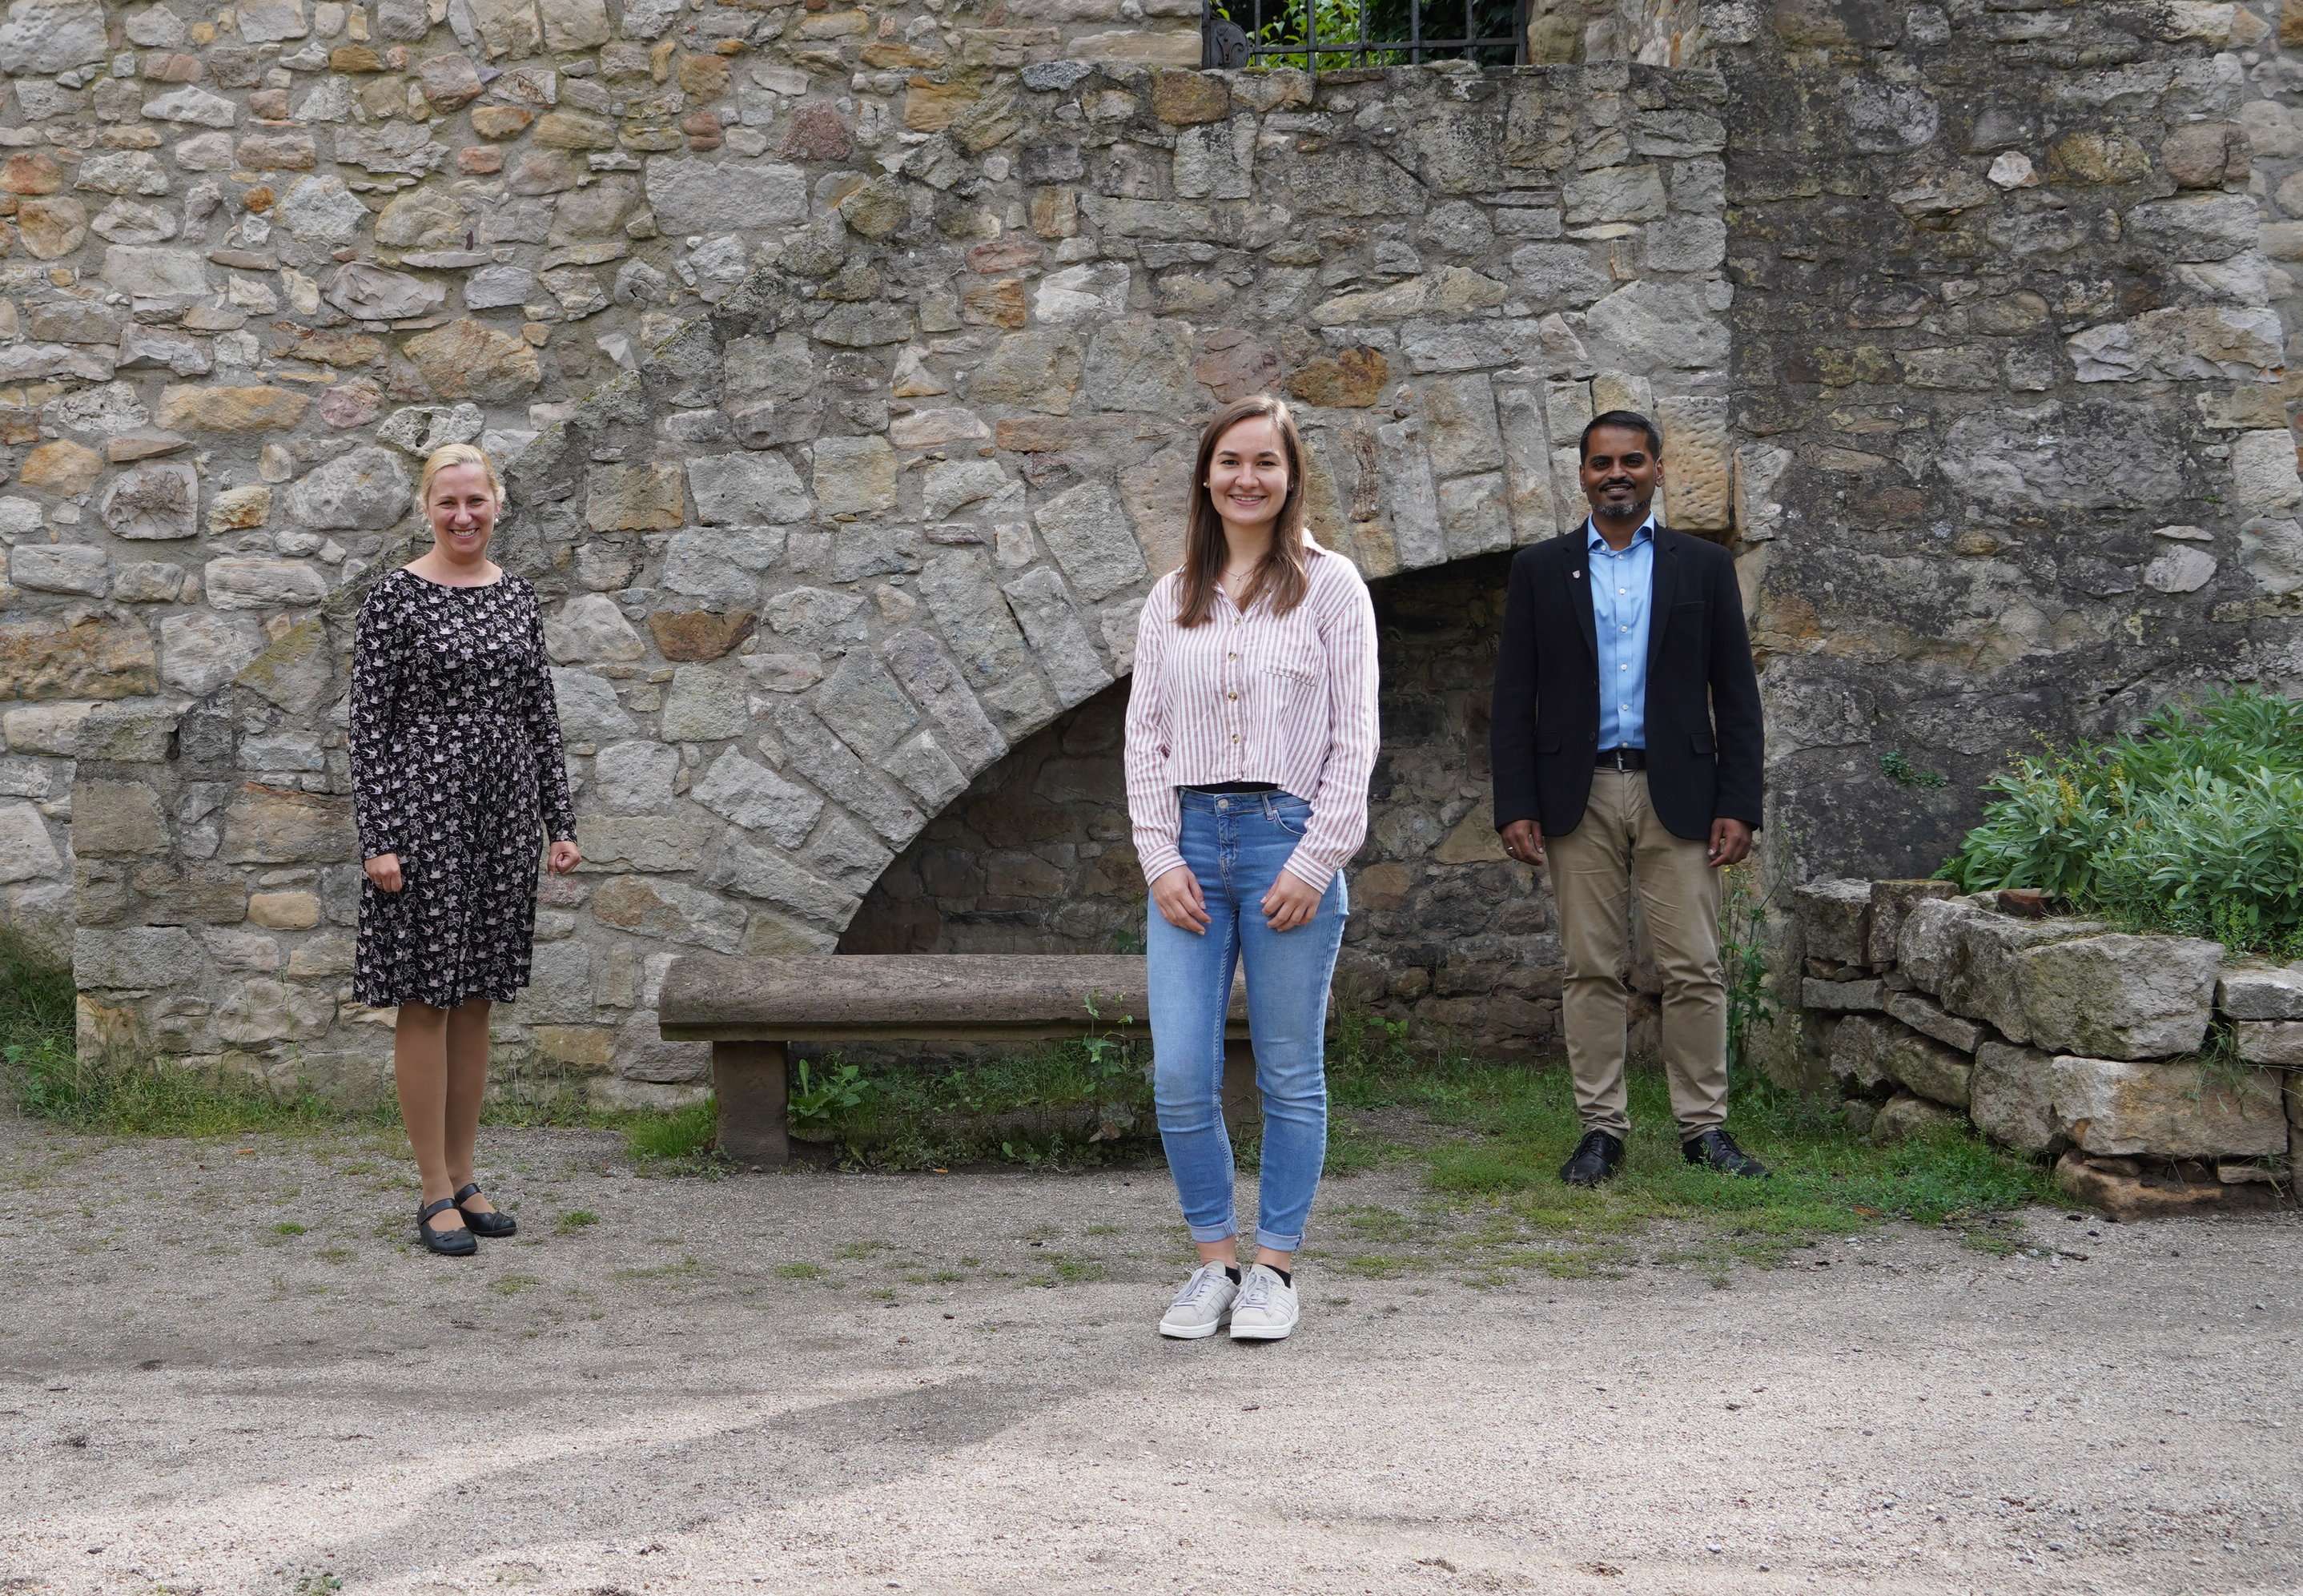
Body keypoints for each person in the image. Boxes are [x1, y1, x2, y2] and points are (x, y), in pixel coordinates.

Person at [1124, 395, 1379, 1342]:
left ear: (1289, 475)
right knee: (1181, 1072)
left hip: (1287, 839)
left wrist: (1317, 858)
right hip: (1189, 844)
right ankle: (1210, 1264)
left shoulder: (1331, 587)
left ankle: (1273, 1268)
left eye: (1264, 463)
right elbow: (1142, 738)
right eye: (1229, 460)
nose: (1246, 478)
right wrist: (1157, 856)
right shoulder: (1170, 597)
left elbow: (1354, 739)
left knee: (1286, 1071)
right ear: (1204, 475)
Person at [1489, 410, 1768, 1188]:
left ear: (1655, 471)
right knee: (1589, 967)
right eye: (1602, 462)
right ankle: (1600, 1130)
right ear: (1579, 474)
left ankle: (1703, 1130)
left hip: (1677, 789)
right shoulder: (1539, 571)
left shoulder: (1700, 569)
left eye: (1632, 461)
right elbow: (1512, 697)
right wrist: (1513, 802)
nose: (1617, 473)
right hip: (1573, 794)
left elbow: (1734, 696)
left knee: (1693, 967)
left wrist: (1739, 802)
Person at [351, 443, 582, 1256]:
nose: (462, 516)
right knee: (425, 997)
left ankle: (465, 1171)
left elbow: (539, 716)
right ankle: (430, 1190)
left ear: (498, 503)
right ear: (426, 508)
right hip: (421, 816)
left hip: (501, 817)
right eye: (447, 502)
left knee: (477, 994)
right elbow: (368, 728)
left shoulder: (517, 597)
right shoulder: (395, 599)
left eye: (475, 501)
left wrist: (562, 821)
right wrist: (378, 838)